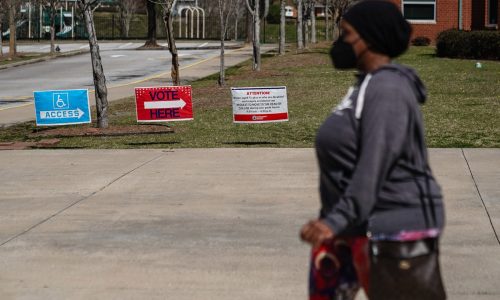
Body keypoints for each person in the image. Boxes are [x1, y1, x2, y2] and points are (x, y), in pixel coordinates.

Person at [299, 1, 446, 299]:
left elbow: (374, 165)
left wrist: (333, 222)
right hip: (350, 224)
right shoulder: (366, 85)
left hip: (393, 229)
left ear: (370, 38)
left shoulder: (388, 90)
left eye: (346, 33)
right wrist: (334, 218)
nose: (340, 41)